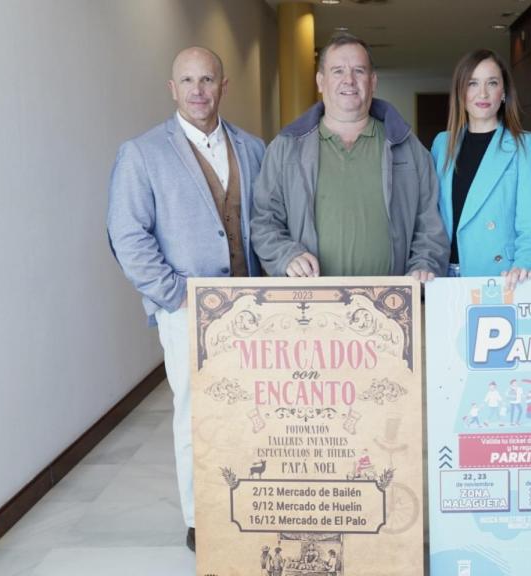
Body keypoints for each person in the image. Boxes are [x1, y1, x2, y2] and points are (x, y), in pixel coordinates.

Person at [106, 46, 266, 552]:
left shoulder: (254, 148)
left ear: (224, 86)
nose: (199, 90)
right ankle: (203, 518)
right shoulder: (143, 152)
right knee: (198, 413)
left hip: (255, 307)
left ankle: (255, 501)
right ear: (173, 89)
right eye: (188, 81)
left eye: (208, 79)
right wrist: (176, 297)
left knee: (256, 409)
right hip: (186, 310)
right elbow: (127, 236)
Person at [251, 33, 448, 281]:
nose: (349, 80)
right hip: (309, 304)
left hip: (391, 303)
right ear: (320, 81)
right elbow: (264, 221)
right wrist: (286, 255)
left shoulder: (408, 148)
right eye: (338, 71)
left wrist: (425, 265)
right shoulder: (285, 148)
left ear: (373, 81)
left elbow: (430, 223)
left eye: (358, 71)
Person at [431, 49, 531, 286]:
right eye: (472, 83)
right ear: (460, 92)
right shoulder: (442, 144)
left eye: (492, 83)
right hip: (442, 276)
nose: (482, 93)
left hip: (501, 276)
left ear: (503, 92)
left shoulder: (525, 145)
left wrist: (525, 265)